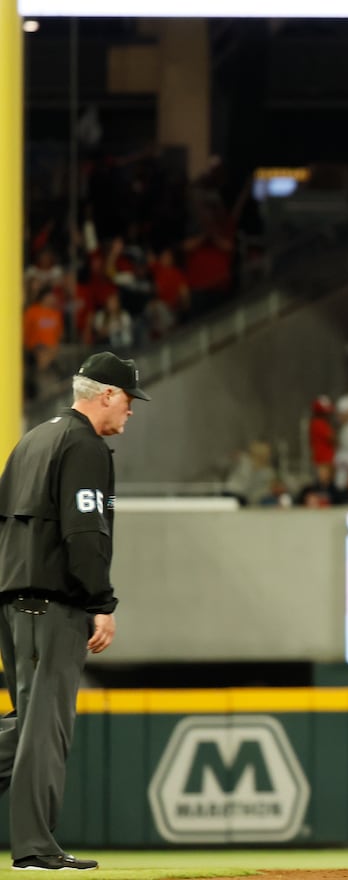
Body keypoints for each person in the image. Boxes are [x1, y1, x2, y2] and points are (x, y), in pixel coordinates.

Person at [0, 352, 149, 871]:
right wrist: (100, 602)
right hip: (53, 601)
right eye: (128, 401)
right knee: (45, 727)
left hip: (14, 598)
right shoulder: (84, 444)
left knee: (29, 725)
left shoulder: (32, 440)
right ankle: (36, 849)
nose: (130, 413)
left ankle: (36, 844)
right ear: (106, 394)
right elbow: (85, 532)